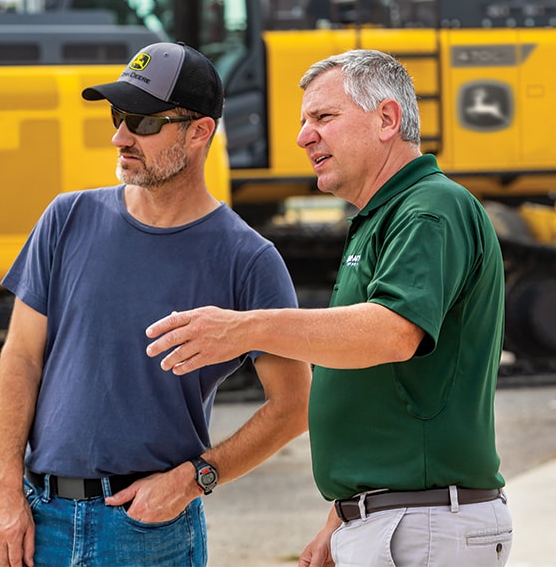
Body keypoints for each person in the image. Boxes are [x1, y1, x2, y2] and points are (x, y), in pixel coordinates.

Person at [146, 49, 513, 566]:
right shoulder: (384, 217)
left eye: (323, 117)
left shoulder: (431, 208)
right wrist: (344, 516)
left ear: (386, 119)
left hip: (424, 525)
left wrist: (245, 328)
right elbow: (383, 389)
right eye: (303, 121)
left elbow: (392, 333)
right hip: (401, 520)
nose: (303, 136)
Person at [0, 41, 311, 567]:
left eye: (141, 122)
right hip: (39, 521)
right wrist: (3, 490)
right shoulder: (66, 219)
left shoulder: (248, 259)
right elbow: (21, 357)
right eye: (118, 115)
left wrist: (195, 477)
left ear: (199, 131)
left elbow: (293, 406)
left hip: (148, 531)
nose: (120, 136)